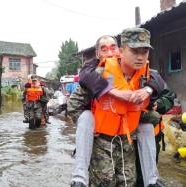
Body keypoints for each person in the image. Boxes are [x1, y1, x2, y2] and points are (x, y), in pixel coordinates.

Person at [69, 29, 175, 187]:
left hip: (128, 142)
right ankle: (79, 177)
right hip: (102, 140)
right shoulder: (96, 73)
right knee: (104, 181)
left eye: (144, 52)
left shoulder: (147, 76)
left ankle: (151, 179)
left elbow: (162, 87)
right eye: (134, 51)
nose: (140, 57)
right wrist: (90, 129)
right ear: (122, 51)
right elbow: (74, 103)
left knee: (128, 182)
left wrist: (149, 92)